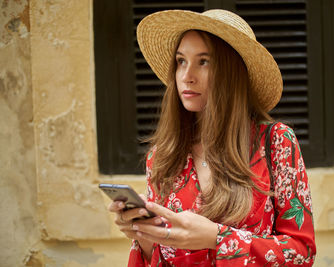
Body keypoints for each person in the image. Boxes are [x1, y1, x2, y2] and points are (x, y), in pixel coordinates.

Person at [108, 9, 316, 266]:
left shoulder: (277, 143)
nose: (187, 76)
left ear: (231, 72)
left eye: (203, 61)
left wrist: (218, 238)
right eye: (181, 61)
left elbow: (302, 252)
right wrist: (145, 237)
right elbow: (159, 260)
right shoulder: (162, 156)